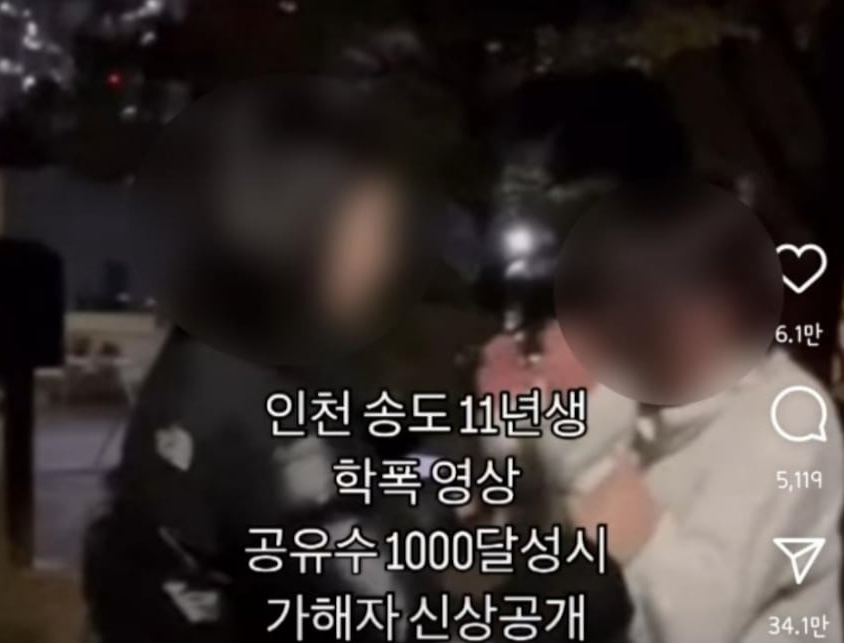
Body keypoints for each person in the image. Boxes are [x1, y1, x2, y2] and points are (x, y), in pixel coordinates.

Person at [83, 76, 634, 643]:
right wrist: (591, 567)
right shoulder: (262, 415)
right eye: (374, 228)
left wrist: (439, 494)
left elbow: (361, 481)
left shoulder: (226, 354)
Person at [477, 182, 844, 642]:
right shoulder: (634, 380)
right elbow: (534, 551)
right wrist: (520, 419)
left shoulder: (787, 421)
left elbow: (690, 624)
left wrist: (593, 477)